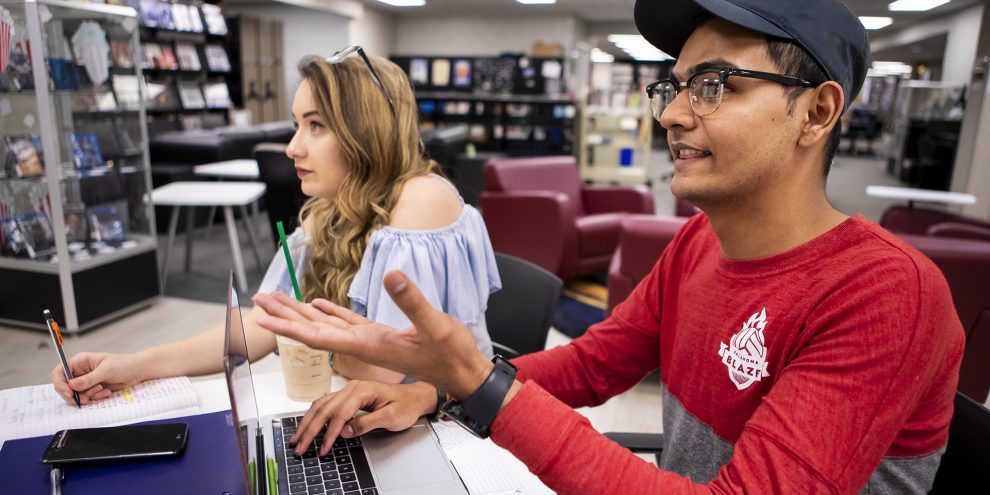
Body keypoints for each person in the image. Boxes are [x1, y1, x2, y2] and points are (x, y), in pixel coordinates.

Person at [252, 1, 965, 493]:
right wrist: (435, 391)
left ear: (818, 111)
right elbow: (592, 364)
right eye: (676, 85)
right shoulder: (697, 247)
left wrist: (483, 383)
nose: (673, 113)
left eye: (715, 85)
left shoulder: (885, 292)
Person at [51, 46, 500, 402]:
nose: (293, 148)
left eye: (317, 125)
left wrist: (304, 334)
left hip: (451, 427)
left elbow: (383, 368)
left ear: (367, 132)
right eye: (296, 125)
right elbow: (264, 323)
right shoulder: (330, 209)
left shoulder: (421, 197)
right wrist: (133, 366)